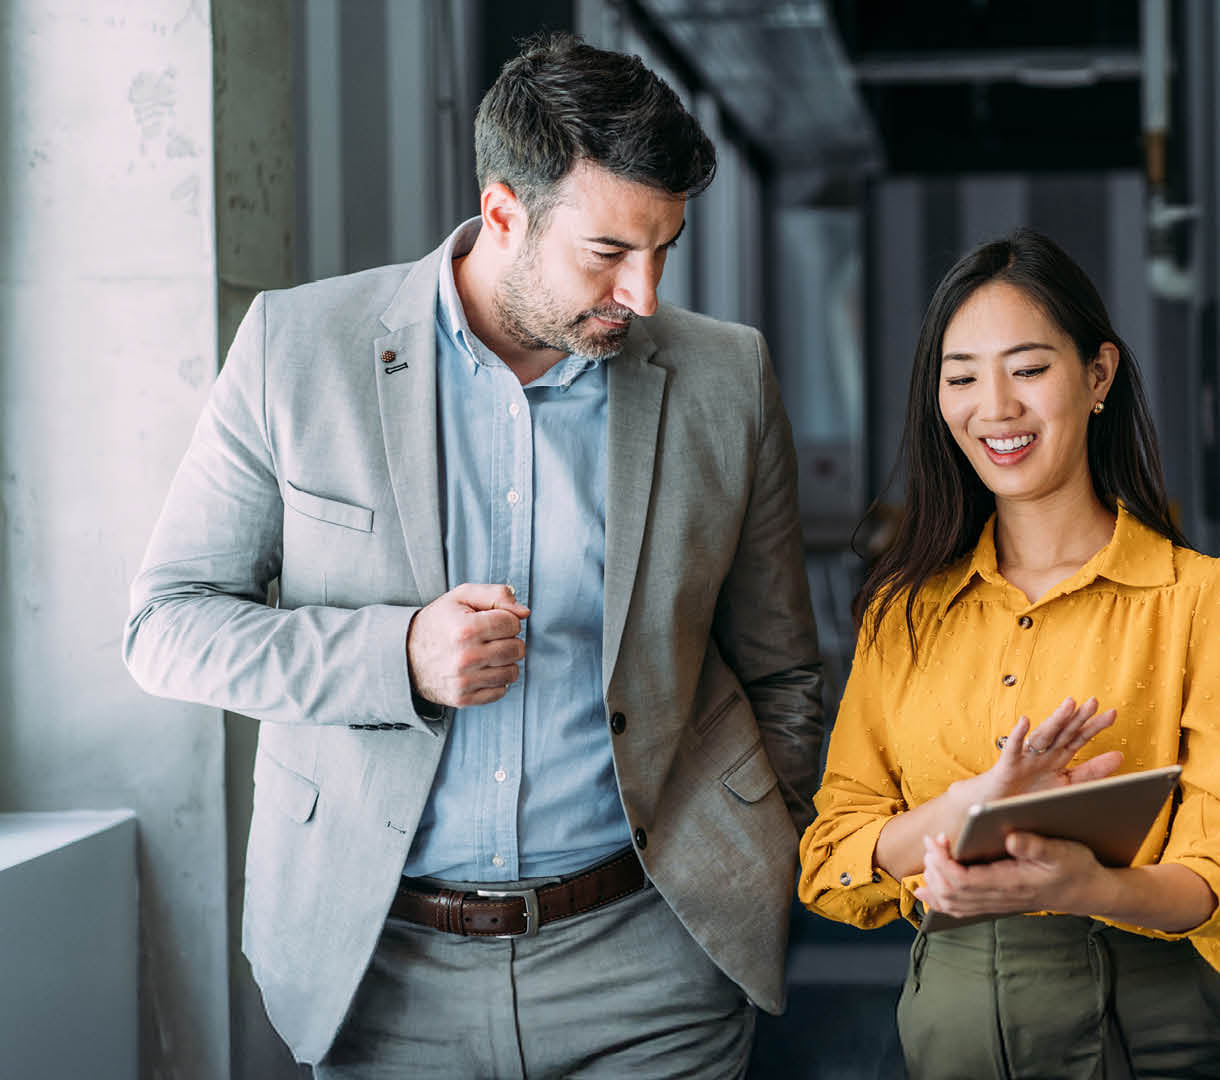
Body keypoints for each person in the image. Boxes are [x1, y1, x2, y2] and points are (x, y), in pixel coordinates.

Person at [124, 32, 823, 1078]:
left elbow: (781, 670)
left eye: (663, 249)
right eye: (608, 253)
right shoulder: (296, 350)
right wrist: (395, 657)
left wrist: (763, 849)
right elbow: (166, 626)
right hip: (385, 971)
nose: (642, 293)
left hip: (655, 962)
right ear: (504, 211)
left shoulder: (725, 376)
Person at [797, 228, 1220, 1077]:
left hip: (1150, 1021)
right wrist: (967, 808)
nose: (994, 407)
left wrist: (1081, 886)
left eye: (1027, 369)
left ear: (1096, 375)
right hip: (950, 1026)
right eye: (961, 378)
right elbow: (832, 855)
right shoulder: (903, 611)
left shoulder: (1205, 597)